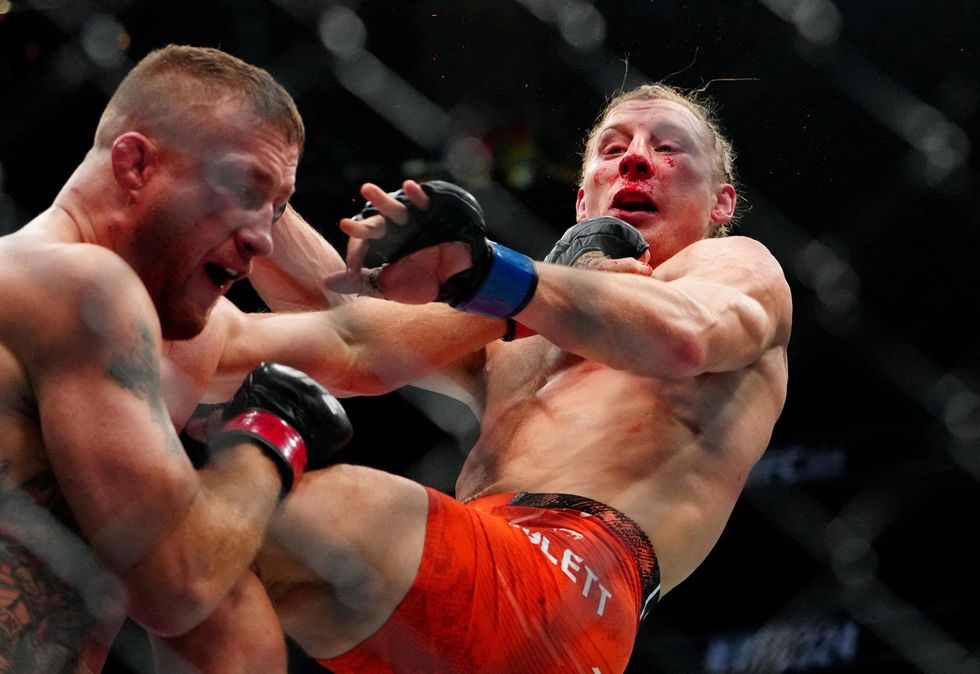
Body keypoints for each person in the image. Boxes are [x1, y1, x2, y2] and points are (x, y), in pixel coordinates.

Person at [242, 82, 792, 674]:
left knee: (238, 522)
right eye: (612, 149)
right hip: (450, 583)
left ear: (721, 203)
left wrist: (484, 271)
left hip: (570, 580)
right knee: (204, 560)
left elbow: (684, 335)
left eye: (668, 148)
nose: (634, 158)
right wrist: (256, 194)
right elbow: (350, 335)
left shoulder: (732, 265)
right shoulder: (519, 327)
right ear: (584, 201)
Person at [0, 43, 509, 674]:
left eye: (274, 209)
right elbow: (176, 585)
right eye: (245, 188)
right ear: (135, 165)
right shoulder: (73, 283)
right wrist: (267, 438)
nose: (263, 238)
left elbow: (359, 345)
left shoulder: (166, 332)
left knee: (234, 620)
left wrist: (521, 285)